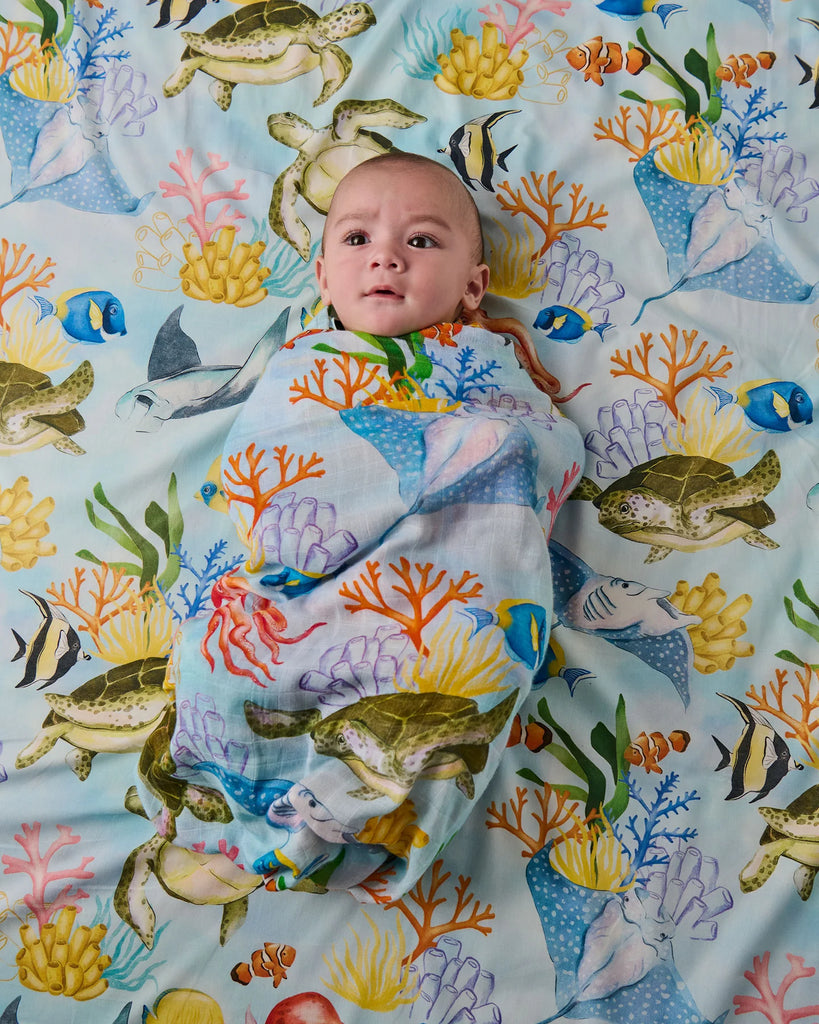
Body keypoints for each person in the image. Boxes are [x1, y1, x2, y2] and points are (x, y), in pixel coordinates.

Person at [138, 152, 585, 902]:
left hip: (443, 587)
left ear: (473, 285)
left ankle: (363, 813)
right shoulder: (301, 368)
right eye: (356, 239)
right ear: (322, 277)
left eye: (421, 240)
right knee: (226, 655)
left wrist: (484, 444)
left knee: (460, 673)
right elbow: (261, 471)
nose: (385, 256)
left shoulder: (493, 371)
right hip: (301, 589)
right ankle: (245, 790)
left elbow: (540, 452)